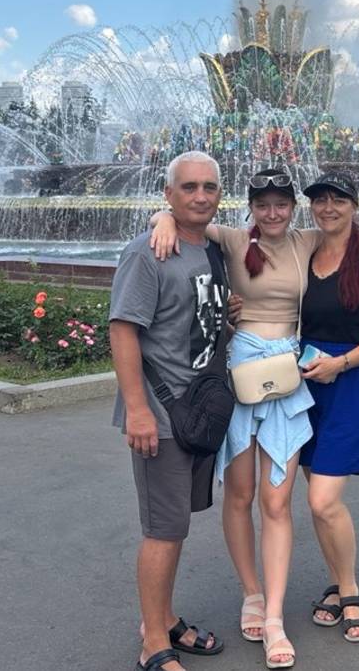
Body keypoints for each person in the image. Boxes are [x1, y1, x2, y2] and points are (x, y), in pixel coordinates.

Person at [147, 167, 359, 669]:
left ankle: (274, 617)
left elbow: (345, 231)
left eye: (281, 204)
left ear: (292, 207)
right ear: (251, 207)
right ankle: (251, 593)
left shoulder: (305, 240)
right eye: (263, 204)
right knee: (241, 494)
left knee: (277, 502)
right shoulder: (233, 240)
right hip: (240, 375)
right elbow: (187, 218)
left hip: (286, 379)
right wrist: (162, 218)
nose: (272, 213)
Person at [110, 151, 229, 671]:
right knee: (162, 529)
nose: (200, 196)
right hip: (160, 416)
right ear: (168, 195)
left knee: (176, 525)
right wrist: (137, 409)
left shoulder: (212, 250)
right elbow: (123, 330)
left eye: (209, 187)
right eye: (189, 187)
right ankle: (153, 642)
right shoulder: (147, 252)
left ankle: (166, 618)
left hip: (199, 410)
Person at [298, 172, 359, 649]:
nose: (328, 207)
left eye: (338, 199)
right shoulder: (305, 251)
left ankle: (351, 588)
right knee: (317, 497)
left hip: (351, 380)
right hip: (305, 386)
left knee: (323, 500)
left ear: (354, 205)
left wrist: (339, 364)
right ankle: (338, 584)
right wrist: (164, 219)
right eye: (320, 200)